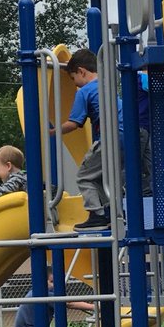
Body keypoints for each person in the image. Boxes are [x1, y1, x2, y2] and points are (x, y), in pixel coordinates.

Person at [57, 49, 123, 232]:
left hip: (110, 137)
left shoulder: (85, 91)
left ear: (81, 71)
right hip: (127, 136)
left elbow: (74, 123)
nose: (75, 84)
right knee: (101, 176)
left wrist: (52, 131)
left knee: (84, 176)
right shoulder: (108, 85)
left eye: (73, 79)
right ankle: (111, 212)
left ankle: (97, 215)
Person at [13, 271, 93, 327]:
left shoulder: (40, 291)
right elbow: (70, 303)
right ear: (42, 282)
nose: (55, 285)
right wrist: (93, 307)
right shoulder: (43, 294)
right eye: (52, 282)